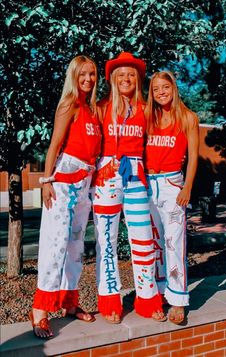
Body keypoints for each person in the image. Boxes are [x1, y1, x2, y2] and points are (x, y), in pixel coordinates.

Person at [30, 55, 101, 338]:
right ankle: (40, 309)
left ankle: (69, 303)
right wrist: (46, 181)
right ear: (74, 76)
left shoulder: (92, 110)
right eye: (83, 74)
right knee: (55, 245)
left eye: (92, 74)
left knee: (75, 247)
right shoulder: (69, 105)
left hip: (84, 186)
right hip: (63, 183)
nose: (88, 79)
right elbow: (55, 145)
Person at [92, 52, 165, 324]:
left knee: (143, 239)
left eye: (131, 74)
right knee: (106, 240)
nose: (126, 78)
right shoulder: (101, 107)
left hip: (136, 176)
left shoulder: (146, 109)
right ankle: (110, 301)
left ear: (138, 79)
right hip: (106, 177)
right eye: (121, 74)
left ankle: (147, 299)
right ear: (112, 79)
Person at [144, 70, 199, 324]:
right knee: (153, 242)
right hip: (147, 184)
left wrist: (187, 187)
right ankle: (159, 292)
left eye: (165, 87)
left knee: (174, 243)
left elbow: (194, 157)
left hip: (171, 183)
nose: (161, 93)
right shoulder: (148, 116)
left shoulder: (188, 118)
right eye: (155, 89)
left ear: (173, 88)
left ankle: (178, 300)